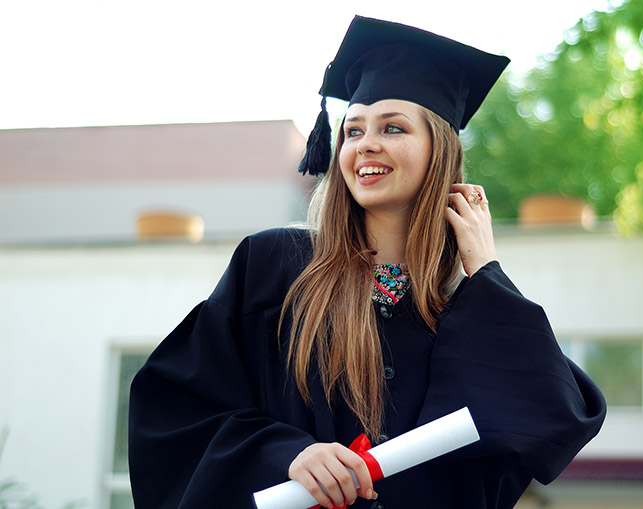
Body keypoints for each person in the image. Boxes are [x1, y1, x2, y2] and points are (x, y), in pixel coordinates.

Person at [128, 15, 606, 509]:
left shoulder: (466, 312)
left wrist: (485, 269)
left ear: (439, 151)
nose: (366, 144)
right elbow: (173, 409)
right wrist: (287, 455)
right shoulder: (275, 268)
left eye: (393, 127)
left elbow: (554, 415)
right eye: (352, 130)